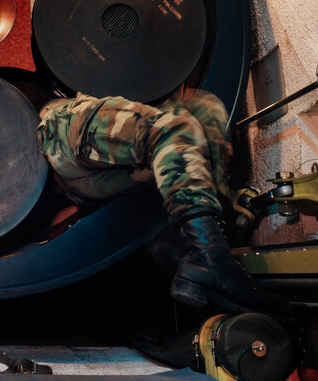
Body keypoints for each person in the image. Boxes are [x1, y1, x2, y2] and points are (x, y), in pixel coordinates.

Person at [36, 88, 290, 316]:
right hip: (59, 138)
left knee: (192, 119)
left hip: (63, 168)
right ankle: (209, 257)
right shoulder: (70, 126)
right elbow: (170, 129)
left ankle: (208, 259)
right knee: (173, 128)